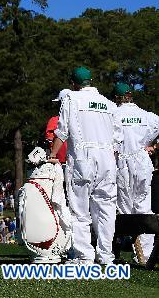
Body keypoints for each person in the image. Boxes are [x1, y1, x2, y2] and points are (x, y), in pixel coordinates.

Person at [48, 66, 122, 265]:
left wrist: (52, 155)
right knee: (106, 209)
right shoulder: (109, 104)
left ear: (73, 83)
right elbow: (117, 138)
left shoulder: (71, 99)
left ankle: (84, 257)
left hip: (83, 157)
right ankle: (106, 256)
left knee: (80, 211)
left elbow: (62, 132)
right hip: (107, 160)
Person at [113, 81, 159, 264]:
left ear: (117, 98)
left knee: (125, 207)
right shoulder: (147, 116)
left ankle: (124, 249)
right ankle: (144, 253)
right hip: (142, 161)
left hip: (123, 161)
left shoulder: (114, 114)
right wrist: (151, 145)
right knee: (143, 205)